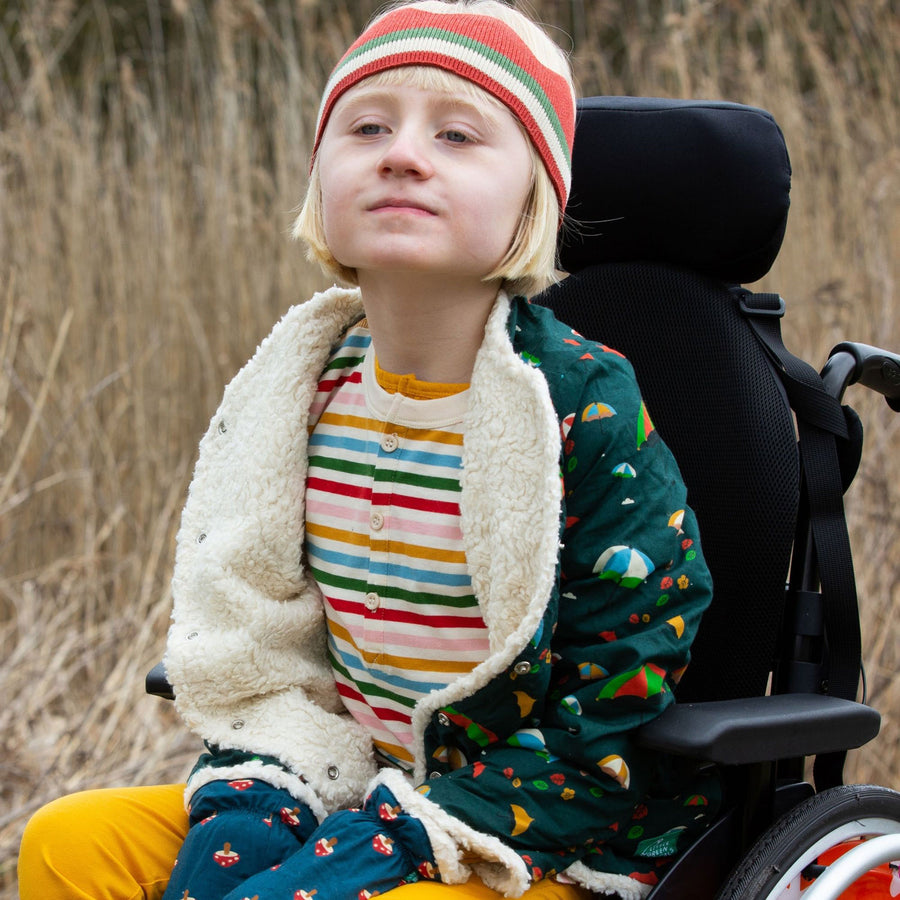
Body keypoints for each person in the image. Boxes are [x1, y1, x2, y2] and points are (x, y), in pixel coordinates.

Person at [18, 2, 719, 899]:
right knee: (70, 842)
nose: (402, 152)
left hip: (530, 828)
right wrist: (261, 800)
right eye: (368, 126)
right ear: (321, 180)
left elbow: (617, 688)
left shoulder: (578, 403)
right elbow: (263, 636)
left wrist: (388, 840)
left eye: (458, 136)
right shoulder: (303, 390)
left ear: (530, 204)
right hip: (344, 778)